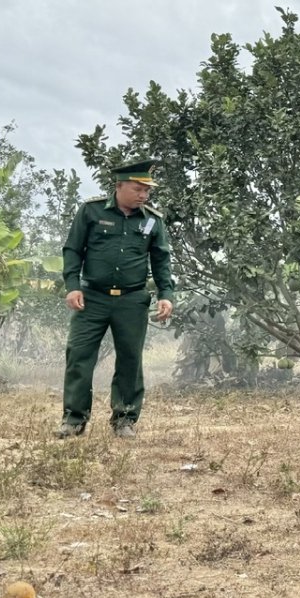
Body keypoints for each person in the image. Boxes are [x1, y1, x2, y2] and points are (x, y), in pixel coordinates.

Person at [57, 160, 175, 439]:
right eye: (138, 189)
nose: (144, 195)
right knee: (79, 357)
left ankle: (124, 419)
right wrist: (72, 286)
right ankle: (74, 419)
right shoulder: (91, 211)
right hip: (92, 298)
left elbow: (161, 261)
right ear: (118, 186)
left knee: (130, 361)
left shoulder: (152, 220)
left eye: (147, 191)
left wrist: (166, 295)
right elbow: (73, 250)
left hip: (132, 300)